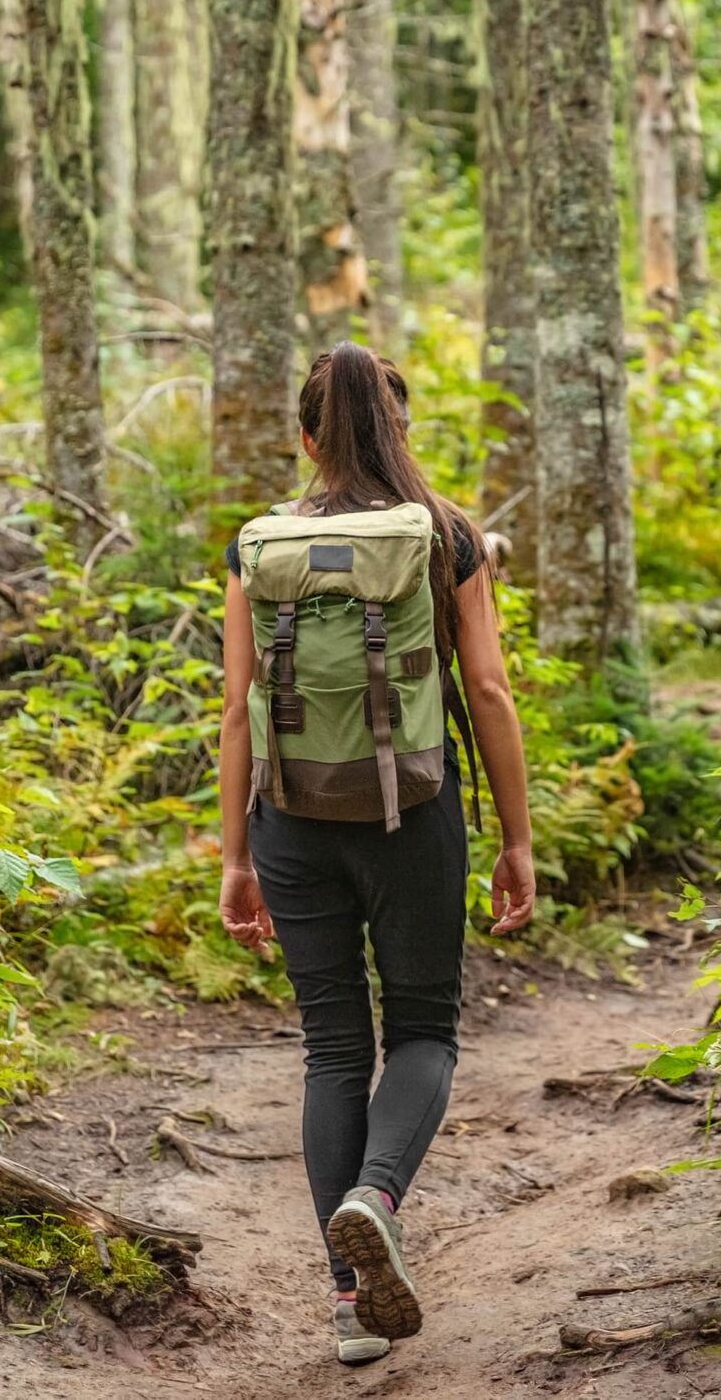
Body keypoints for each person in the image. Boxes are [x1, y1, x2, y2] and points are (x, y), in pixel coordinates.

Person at [216, 343, 538, 1368]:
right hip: (413, 816)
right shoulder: (444, 535)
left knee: (332, 1049)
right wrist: (520, 839)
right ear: (400, 431)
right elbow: (486, 692)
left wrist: (235, 856)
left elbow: (236, 709)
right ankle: (377, 1193)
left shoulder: (259, 546)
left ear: (305, 437)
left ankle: (351, 1299)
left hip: (291, 816)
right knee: (425, 1031)